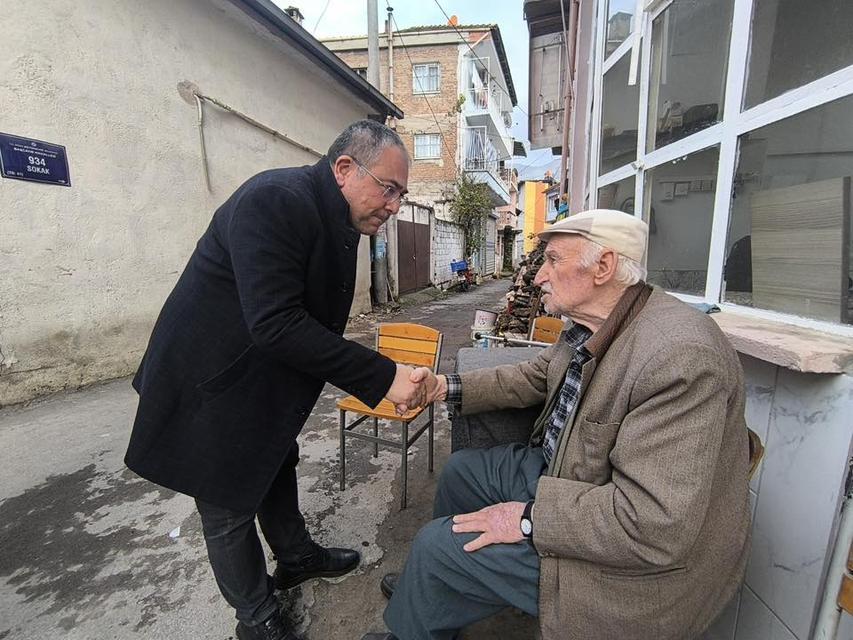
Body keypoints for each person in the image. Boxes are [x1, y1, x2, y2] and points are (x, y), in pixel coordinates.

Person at [362, 209, 752, 640]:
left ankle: (435, 574)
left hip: (635, 565)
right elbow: (533, 376)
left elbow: (652, 525)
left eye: (552, 260)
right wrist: (440, 387)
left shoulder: (678, 357)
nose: (539, 276)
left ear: (603, 267)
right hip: (567, 474)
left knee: (437, 547)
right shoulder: (593, 323)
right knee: (460, 474)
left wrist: (527, 519)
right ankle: (435, 590)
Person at [126, 120, 426, 640]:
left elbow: (307, 320)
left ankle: (295, 556)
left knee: (275, 458)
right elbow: (276, 322)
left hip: (259, 373)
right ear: (345, 168)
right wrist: (384, 377)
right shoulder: (275, 200)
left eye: (401, 194)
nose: (395, 205)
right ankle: (256, 618)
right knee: (227, 505)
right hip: (209, 378)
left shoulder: (336, 216)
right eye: (389, 188)